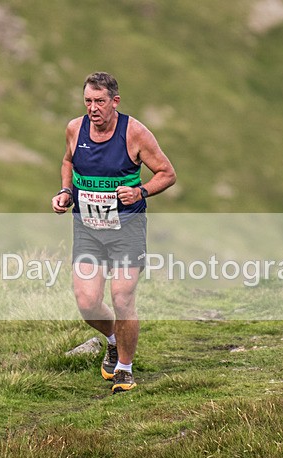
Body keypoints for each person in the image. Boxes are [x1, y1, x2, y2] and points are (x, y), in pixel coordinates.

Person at [52, 72, 176, 393]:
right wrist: (66, 191)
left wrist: (142, 192)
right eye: (88, 102)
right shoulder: (74, 129)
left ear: (115, 102)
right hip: (88, 229)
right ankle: (111, 340)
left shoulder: (134, 133)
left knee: (122, 298)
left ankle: (125, 368)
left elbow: (167, 173)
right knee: (87, 301)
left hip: (127, 229)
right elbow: (68, 161)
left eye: (100, 102)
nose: (93, 108)